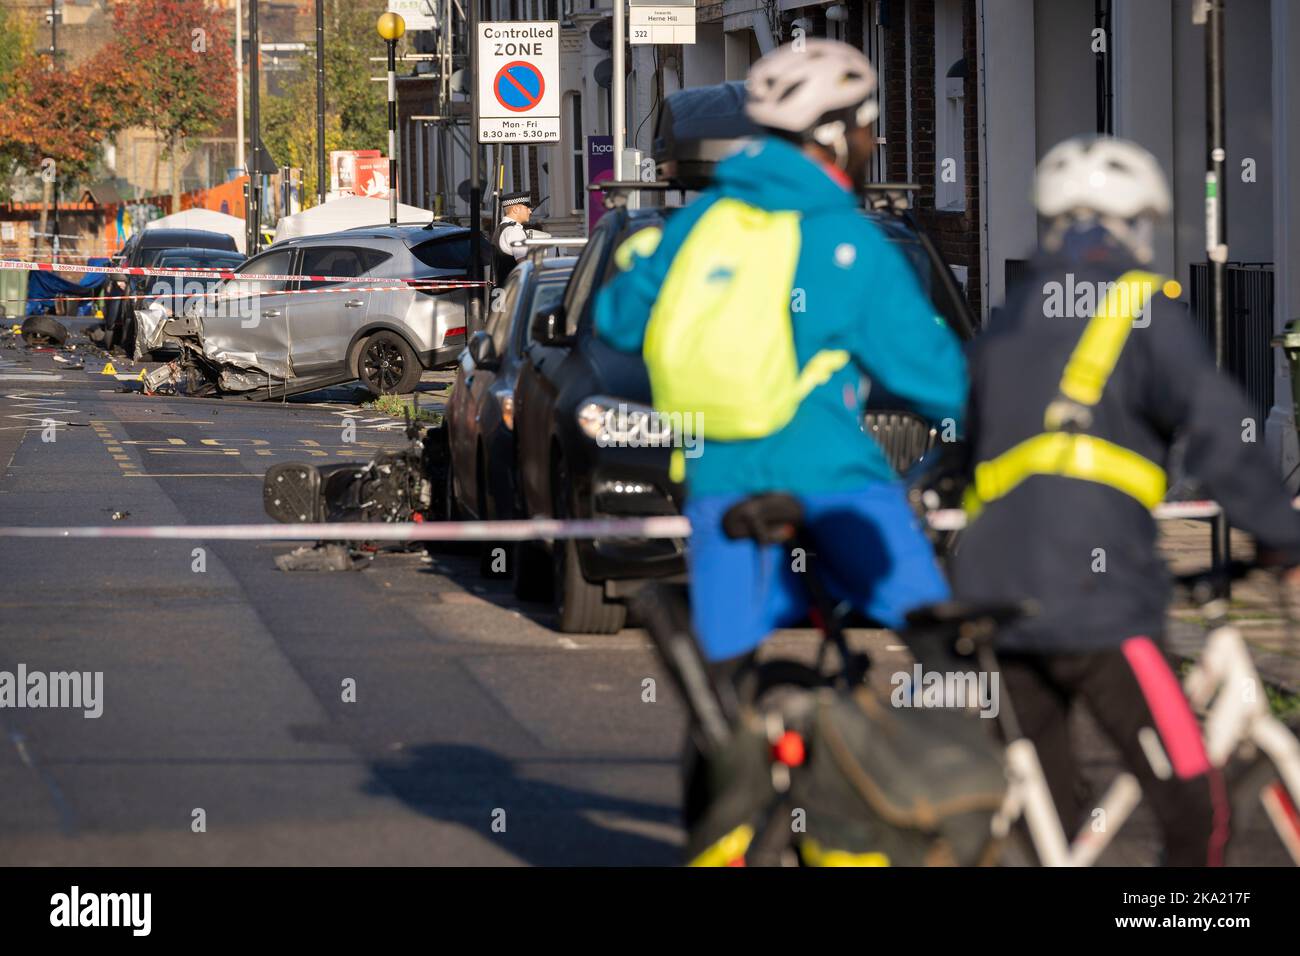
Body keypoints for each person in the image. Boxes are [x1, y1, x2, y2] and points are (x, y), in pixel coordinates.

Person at [949, 135, 1300, 866]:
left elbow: (961, 454)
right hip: (1094, 598)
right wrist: (1280, 539)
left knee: (1046, 816)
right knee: (1195, 809)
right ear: (1136, 224)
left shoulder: (1008, 319)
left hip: (992, 594)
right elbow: (1223, 435)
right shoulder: (1146, 307)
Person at [593, 39, 966, 672]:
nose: (873, 140)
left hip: (715, 475)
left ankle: (743, 749)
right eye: (868, 124)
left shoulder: (697, 223)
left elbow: (617, 322)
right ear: (834, 135)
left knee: (726, 675)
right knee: (940, 632)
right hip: (830, 472)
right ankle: (961, 750)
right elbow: (933, 374)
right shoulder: (846, 236)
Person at [491, 192, 550, 281]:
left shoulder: (501, 228)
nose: (530, 211)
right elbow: (524, 264)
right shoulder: (515, 230)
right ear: (515, 209)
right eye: (527, 207)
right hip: (515, 288)